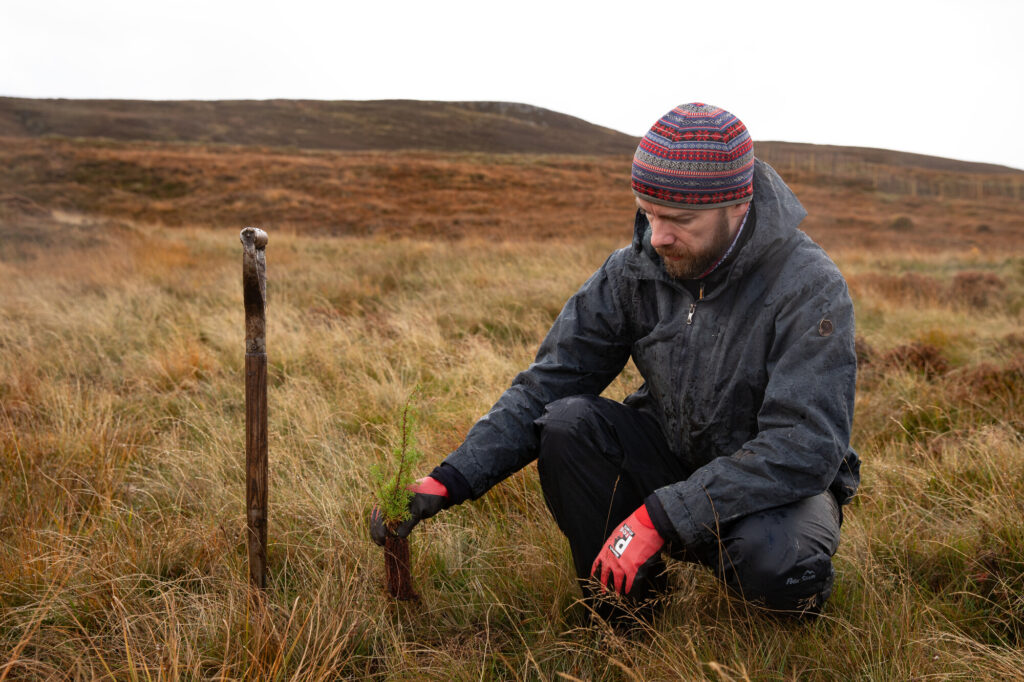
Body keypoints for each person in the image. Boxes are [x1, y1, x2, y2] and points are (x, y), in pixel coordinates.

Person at [370, 102, 860, 619]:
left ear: (738, 204)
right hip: (670, 454)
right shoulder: (633, 272)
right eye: (649, 213)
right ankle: (624, 613)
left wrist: (661, 516)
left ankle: (783, 605)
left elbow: (805, 445)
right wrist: (450, 479)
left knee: (780, 565)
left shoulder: (808, 286)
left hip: (769, 488)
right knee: (565, 424)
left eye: (680, 219)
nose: (658, 236)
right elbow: (549, 384)